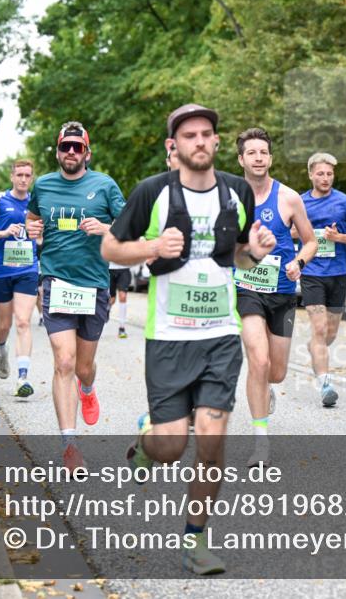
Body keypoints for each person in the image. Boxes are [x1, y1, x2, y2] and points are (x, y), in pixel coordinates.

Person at [103, 103, 272, 575]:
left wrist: (256, 254)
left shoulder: (237, 192)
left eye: (206, 133)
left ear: (216, 141)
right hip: (169, 338)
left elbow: (239, 256)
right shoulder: (152, 192)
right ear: (173, 146)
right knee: (172, 446)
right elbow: (110, 247)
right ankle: (146, 445)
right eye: (189, 135)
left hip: (220, 335)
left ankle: (195, 540)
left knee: (212, 441)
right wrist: (153, 247)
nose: (199, 141)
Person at [26, 121, 126, 470]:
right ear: (57, 152)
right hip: (56, 283)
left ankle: (87, 388)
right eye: (65, 146)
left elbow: (132, 225)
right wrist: (32, 228)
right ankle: (69, 444)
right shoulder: (43, 185)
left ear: (87, 152)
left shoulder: (104, 185)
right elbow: (33, 218)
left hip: (94, 285)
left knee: (83, 368)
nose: (71, 152)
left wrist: (105, 228)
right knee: (64, 362)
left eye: (77, 147)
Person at [233, 128, 317, 466]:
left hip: (282, 291)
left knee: (276, 371)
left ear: (270, 158)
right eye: (251, 153)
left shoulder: (289, 198)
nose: (258, 158)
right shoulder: (230, 199)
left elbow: (311, 242)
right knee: (259, 360)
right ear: (241, 159)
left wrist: (299, 263)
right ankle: (260, 442)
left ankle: (265, 386)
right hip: (246, 287)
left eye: (263, 152)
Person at [297, 152, 346, 407]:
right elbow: (289, 230)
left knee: (330, 333)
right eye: (320, 173)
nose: (325, 178)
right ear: (311, 175)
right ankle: (326, 385)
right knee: (319, 329)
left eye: (329, 174)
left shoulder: (345, 202)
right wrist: (308, 234)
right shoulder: (299, 202)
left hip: (338, 273)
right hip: (312, 273)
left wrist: (339, 238)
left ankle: (315, 348)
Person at [0, 159, 39, 397]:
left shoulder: (37, 202)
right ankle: (1, 348)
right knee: (5, 325)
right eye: (19, 174)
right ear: (12, 177)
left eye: (27, 175)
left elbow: (43, 234)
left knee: (23, 321)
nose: (23, 179)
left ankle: (23, 378)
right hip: (1, 271)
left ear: (31, 178)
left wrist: (40, 233)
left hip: (27, 269)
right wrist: (3, 232)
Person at [108, 260, 132, 338]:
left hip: (124, 269)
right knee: (111, 300)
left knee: (123, 296)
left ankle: (122, 328)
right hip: (110, 268)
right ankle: (107, 310)